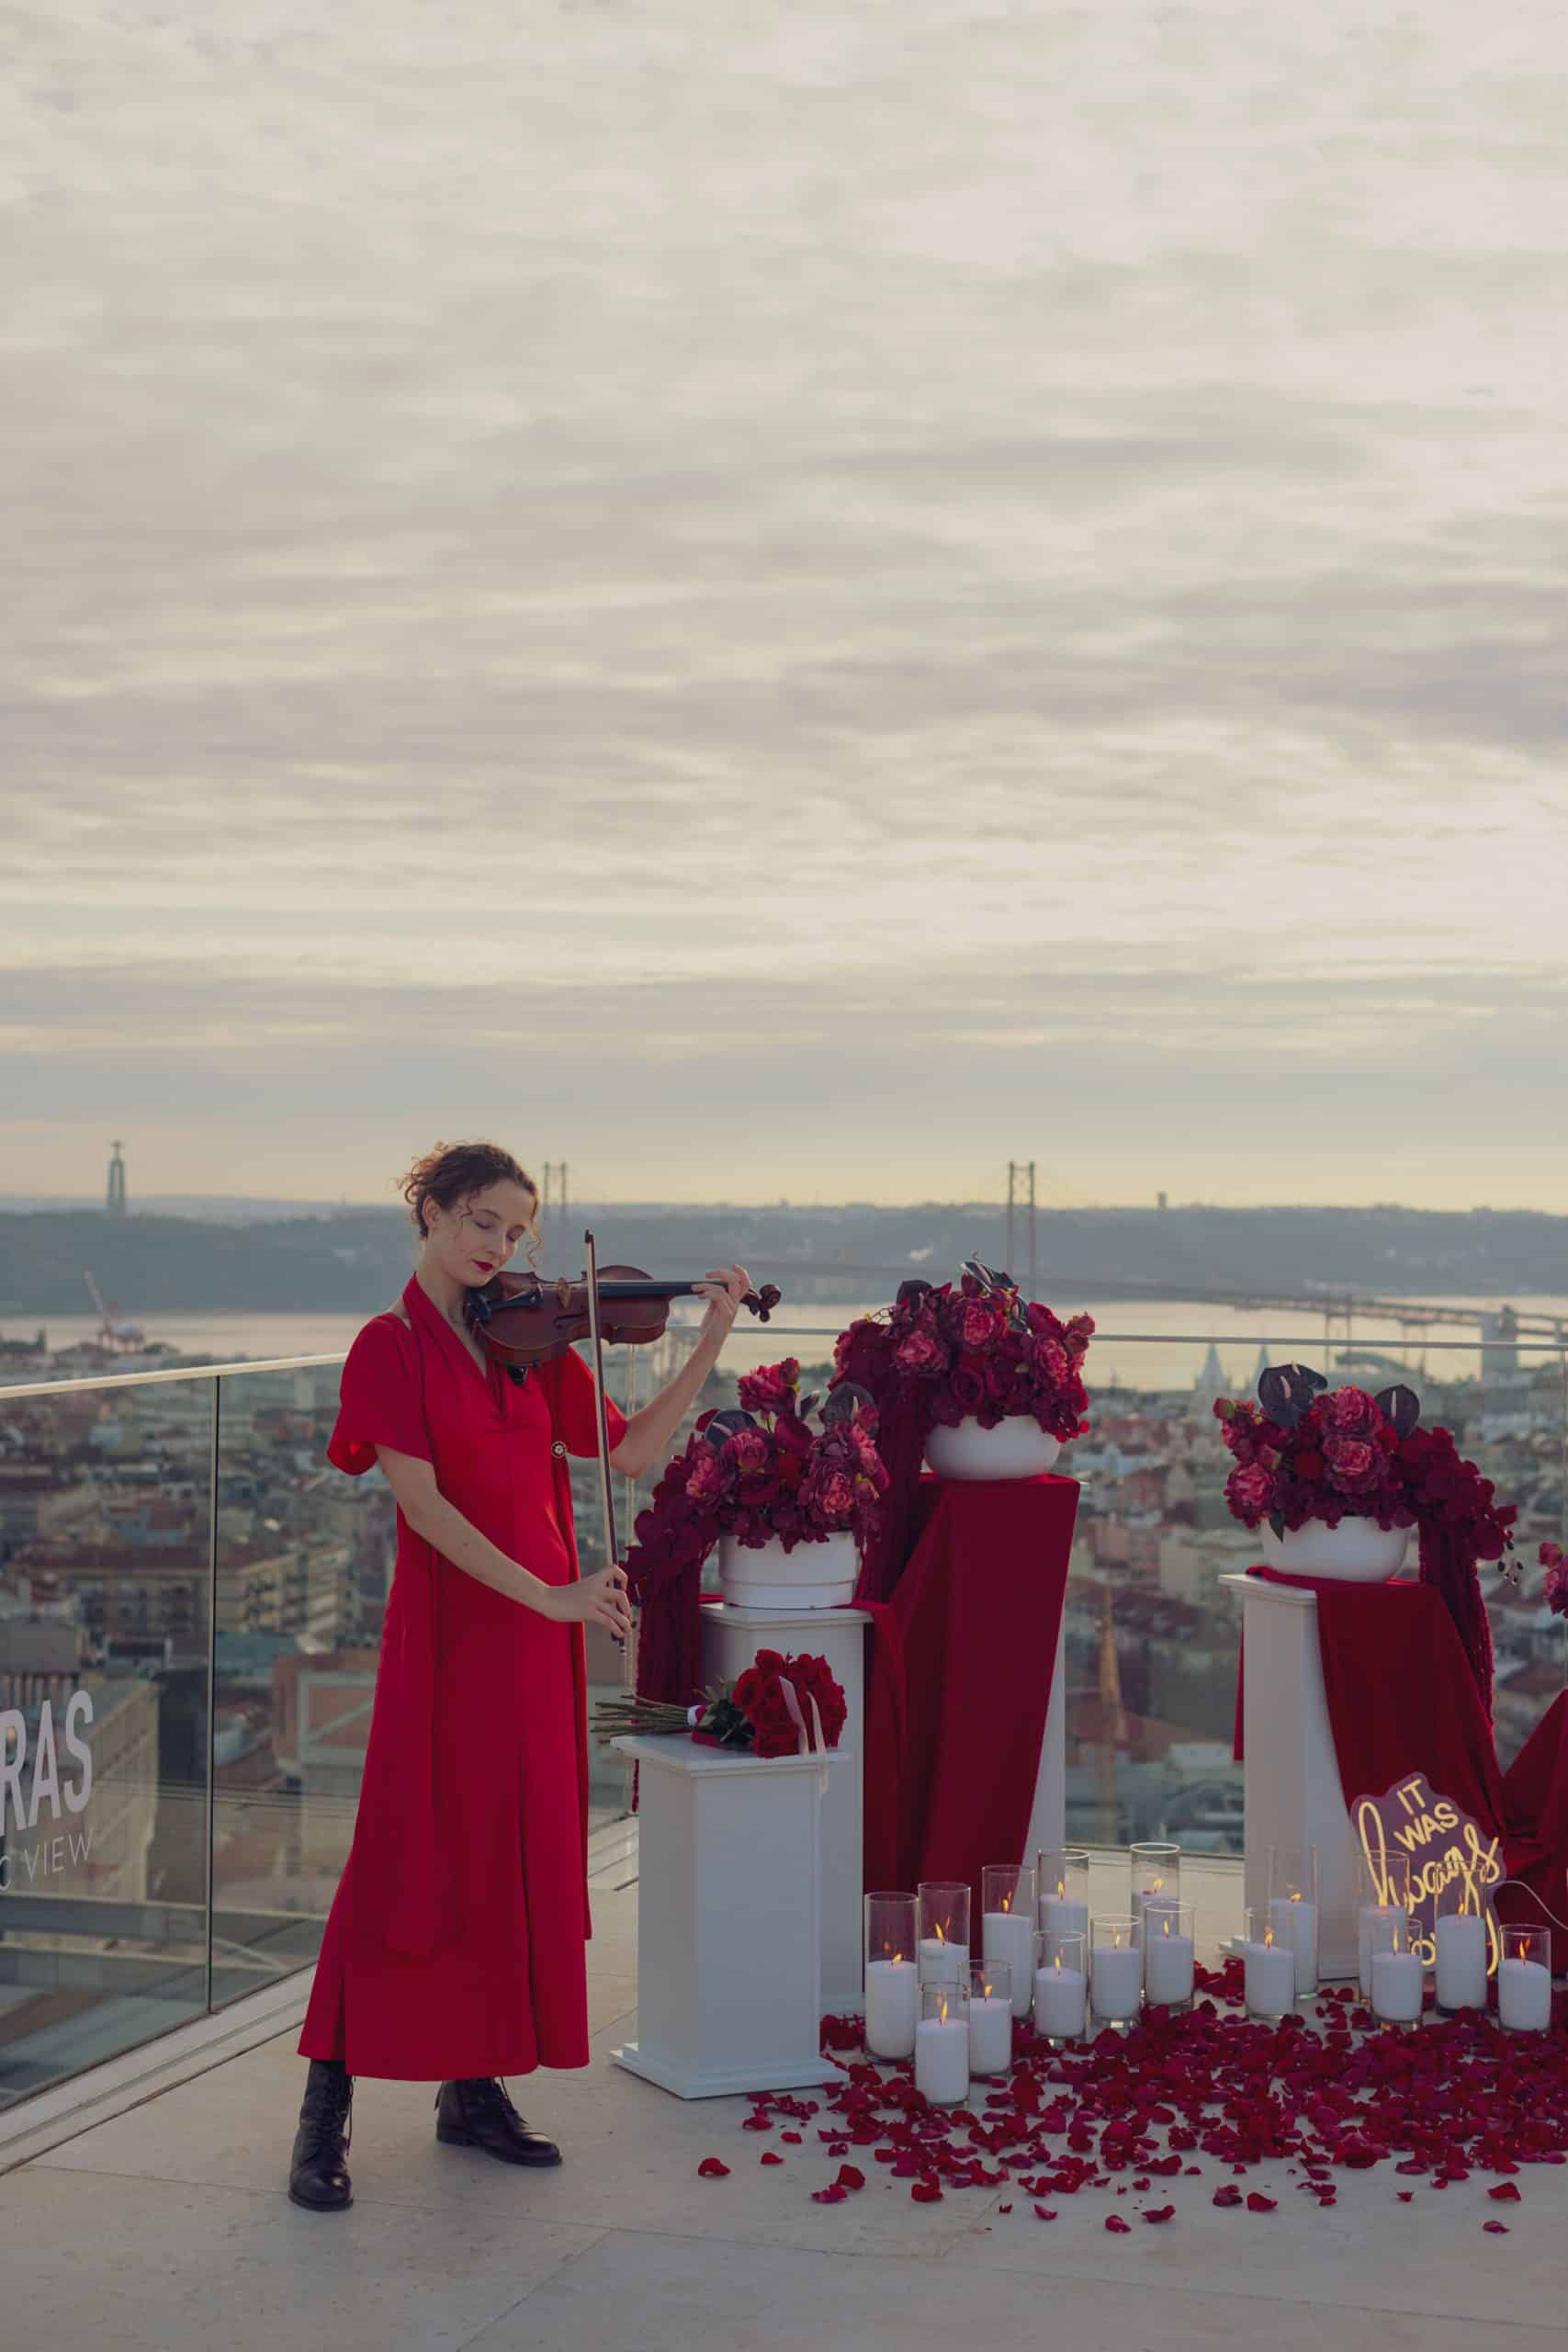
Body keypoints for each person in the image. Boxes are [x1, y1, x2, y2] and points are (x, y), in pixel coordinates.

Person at [288, 1138, 751, 2211]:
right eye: (483, 1222)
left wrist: (710, 1338)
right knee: (410, 1855)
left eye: (516, 1231)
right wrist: (546, 1594)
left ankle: (473, 2090)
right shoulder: (388, 1346)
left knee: (513, 1851)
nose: (499, 1246)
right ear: (433, 1214)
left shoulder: (531, 1340)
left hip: (539, 1641)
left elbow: (629, 1451)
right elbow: (424, 1508)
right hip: (455, 1634)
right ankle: (328, 2104)